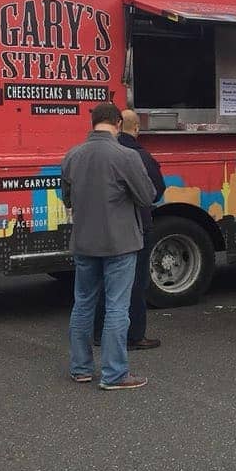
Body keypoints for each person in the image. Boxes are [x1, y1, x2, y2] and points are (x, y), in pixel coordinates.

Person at [61, 102, 157, 390]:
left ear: (92, 123)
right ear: (118, 124)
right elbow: (147, 196)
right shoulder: (126, 155)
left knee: (83, 303)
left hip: (83, 241)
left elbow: (67, 198)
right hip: (120, 242)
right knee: (117, 307)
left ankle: (80, 368)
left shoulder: (72, 155)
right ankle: (114, 374)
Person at [92, 109, 166, 351]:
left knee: (102, 283)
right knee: (135, 283)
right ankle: (134, 335)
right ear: (135, 128)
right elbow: (155, 191)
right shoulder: (136, 155)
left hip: (99, 227)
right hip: (135, 226)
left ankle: (98, 333)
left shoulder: (91, 152)